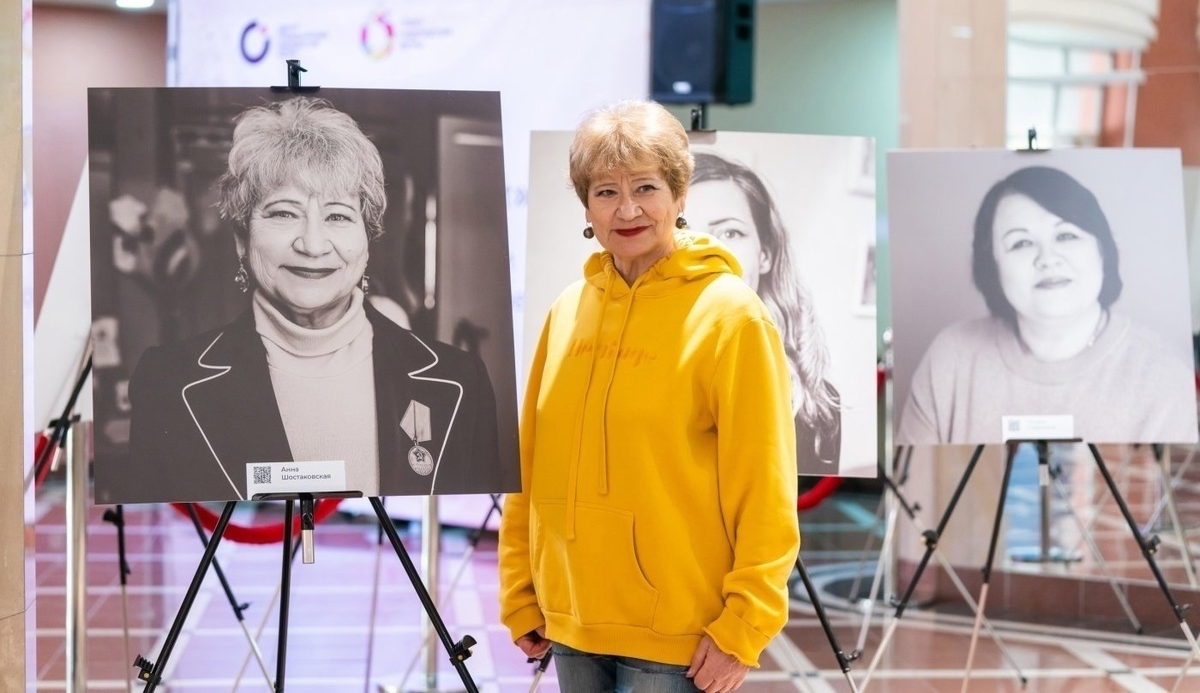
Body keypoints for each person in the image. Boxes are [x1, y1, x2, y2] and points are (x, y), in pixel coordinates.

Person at [498, 100, 799, 693]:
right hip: (570, 621)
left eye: (646, 187)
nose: (628, 209)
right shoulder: (567, 311)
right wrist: (520, 589)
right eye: (606, 192)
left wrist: (745, 626)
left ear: (680, 195)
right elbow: (529, 466)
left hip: (679, 636)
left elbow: (765, 488)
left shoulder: (733, 317)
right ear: (587, 207)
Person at [123, 96, 504, 503]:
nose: (313, 244)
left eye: (338, 216)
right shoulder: (167, 382)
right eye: (283, 213)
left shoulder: (459, 381)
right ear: (241, 240)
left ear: (367, 239)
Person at [898, 164, 1196, 445]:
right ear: (993, 266)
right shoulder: (951, 358)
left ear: (1102, 251)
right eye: (1021, 243)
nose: (1048, 259)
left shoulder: (1164, 376)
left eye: (1066, 235)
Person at [688, 152, 842, 475]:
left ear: (765, 255)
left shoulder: (817, 406)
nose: (708, 252)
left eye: (730, 233)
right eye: (684, 232)